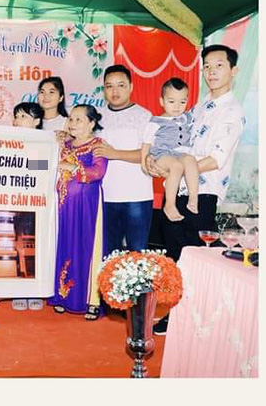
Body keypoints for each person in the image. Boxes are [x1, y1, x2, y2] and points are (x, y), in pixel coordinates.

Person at [148, 44, 245, 335]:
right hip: (177, 190)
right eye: (207, 67)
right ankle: (177, 315)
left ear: (233, 71)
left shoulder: (232, 111)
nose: (211, 72)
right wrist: (156, 160)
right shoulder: (199, 106)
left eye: (219, 66)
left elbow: (215, 159)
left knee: (195, 256)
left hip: (202, 194)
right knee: (176, 254)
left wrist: (174, 170)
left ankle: (196, 318)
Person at [48, 105, 108, 320]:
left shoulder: (98, 145)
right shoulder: (62, 145)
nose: (72, 123)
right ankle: (62, 296)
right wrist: (23, 165)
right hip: (63, 207)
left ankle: (93, 301)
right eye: (71, 119)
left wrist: (73, 168)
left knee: (88, 247)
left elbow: (98, 172)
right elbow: (44, 165)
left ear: (92, 123)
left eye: (79, 120)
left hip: (87, 206)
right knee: (64, 245)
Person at [94, 65, 153, 254]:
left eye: (121, 85)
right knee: (107, 255)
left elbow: (149, 155)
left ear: (131, 87)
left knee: (137, 253)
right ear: (104, 89)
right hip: (104, 195)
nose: (115, 91)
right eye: (109, 86)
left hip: (137, 196)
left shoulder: (144, 116)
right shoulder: (96, 117)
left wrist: (115, 154)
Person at [141, 78, 198, 222]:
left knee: (191, 160)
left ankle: (193, 197)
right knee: (176, 166)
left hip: (181, 152)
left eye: (182, 102)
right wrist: (144, 163)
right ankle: (169, 205)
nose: (177, 106)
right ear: (162, 101)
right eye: (171, 101)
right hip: (162, 155)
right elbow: (146, 144)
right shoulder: (155, 122)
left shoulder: (187, 117)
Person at [10, 102, 45, 311]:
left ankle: (36, 290)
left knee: (38, 247)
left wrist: (22, 164)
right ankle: (19, 289)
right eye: (16, 116)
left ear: (37, 121)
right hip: (16, 201)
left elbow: (47, 165)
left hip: (39, 203)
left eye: (23, 116)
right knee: (17, 245)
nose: (17, 120)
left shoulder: (47, 142)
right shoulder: (8, 141)